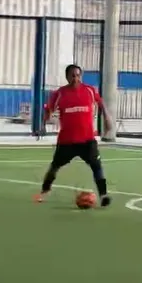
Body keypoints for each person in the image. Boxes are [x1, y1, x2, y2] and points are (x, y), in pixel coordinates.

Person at [34, 64, 112, 207]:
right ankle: (44, 191)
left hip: (87, 140)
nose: (75, 78)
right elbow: (49, 109)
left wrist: (107, 119)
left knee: (97, 166)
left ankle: (103, 195)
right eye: (72, 76)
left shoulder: (89, 90)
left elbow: (101, 104)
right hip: (67, 141)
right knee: (54, 167)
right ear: (67, 77)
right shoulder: (60, 93)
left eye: (78, 75)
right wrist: (44, 123)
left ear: (81, 76)